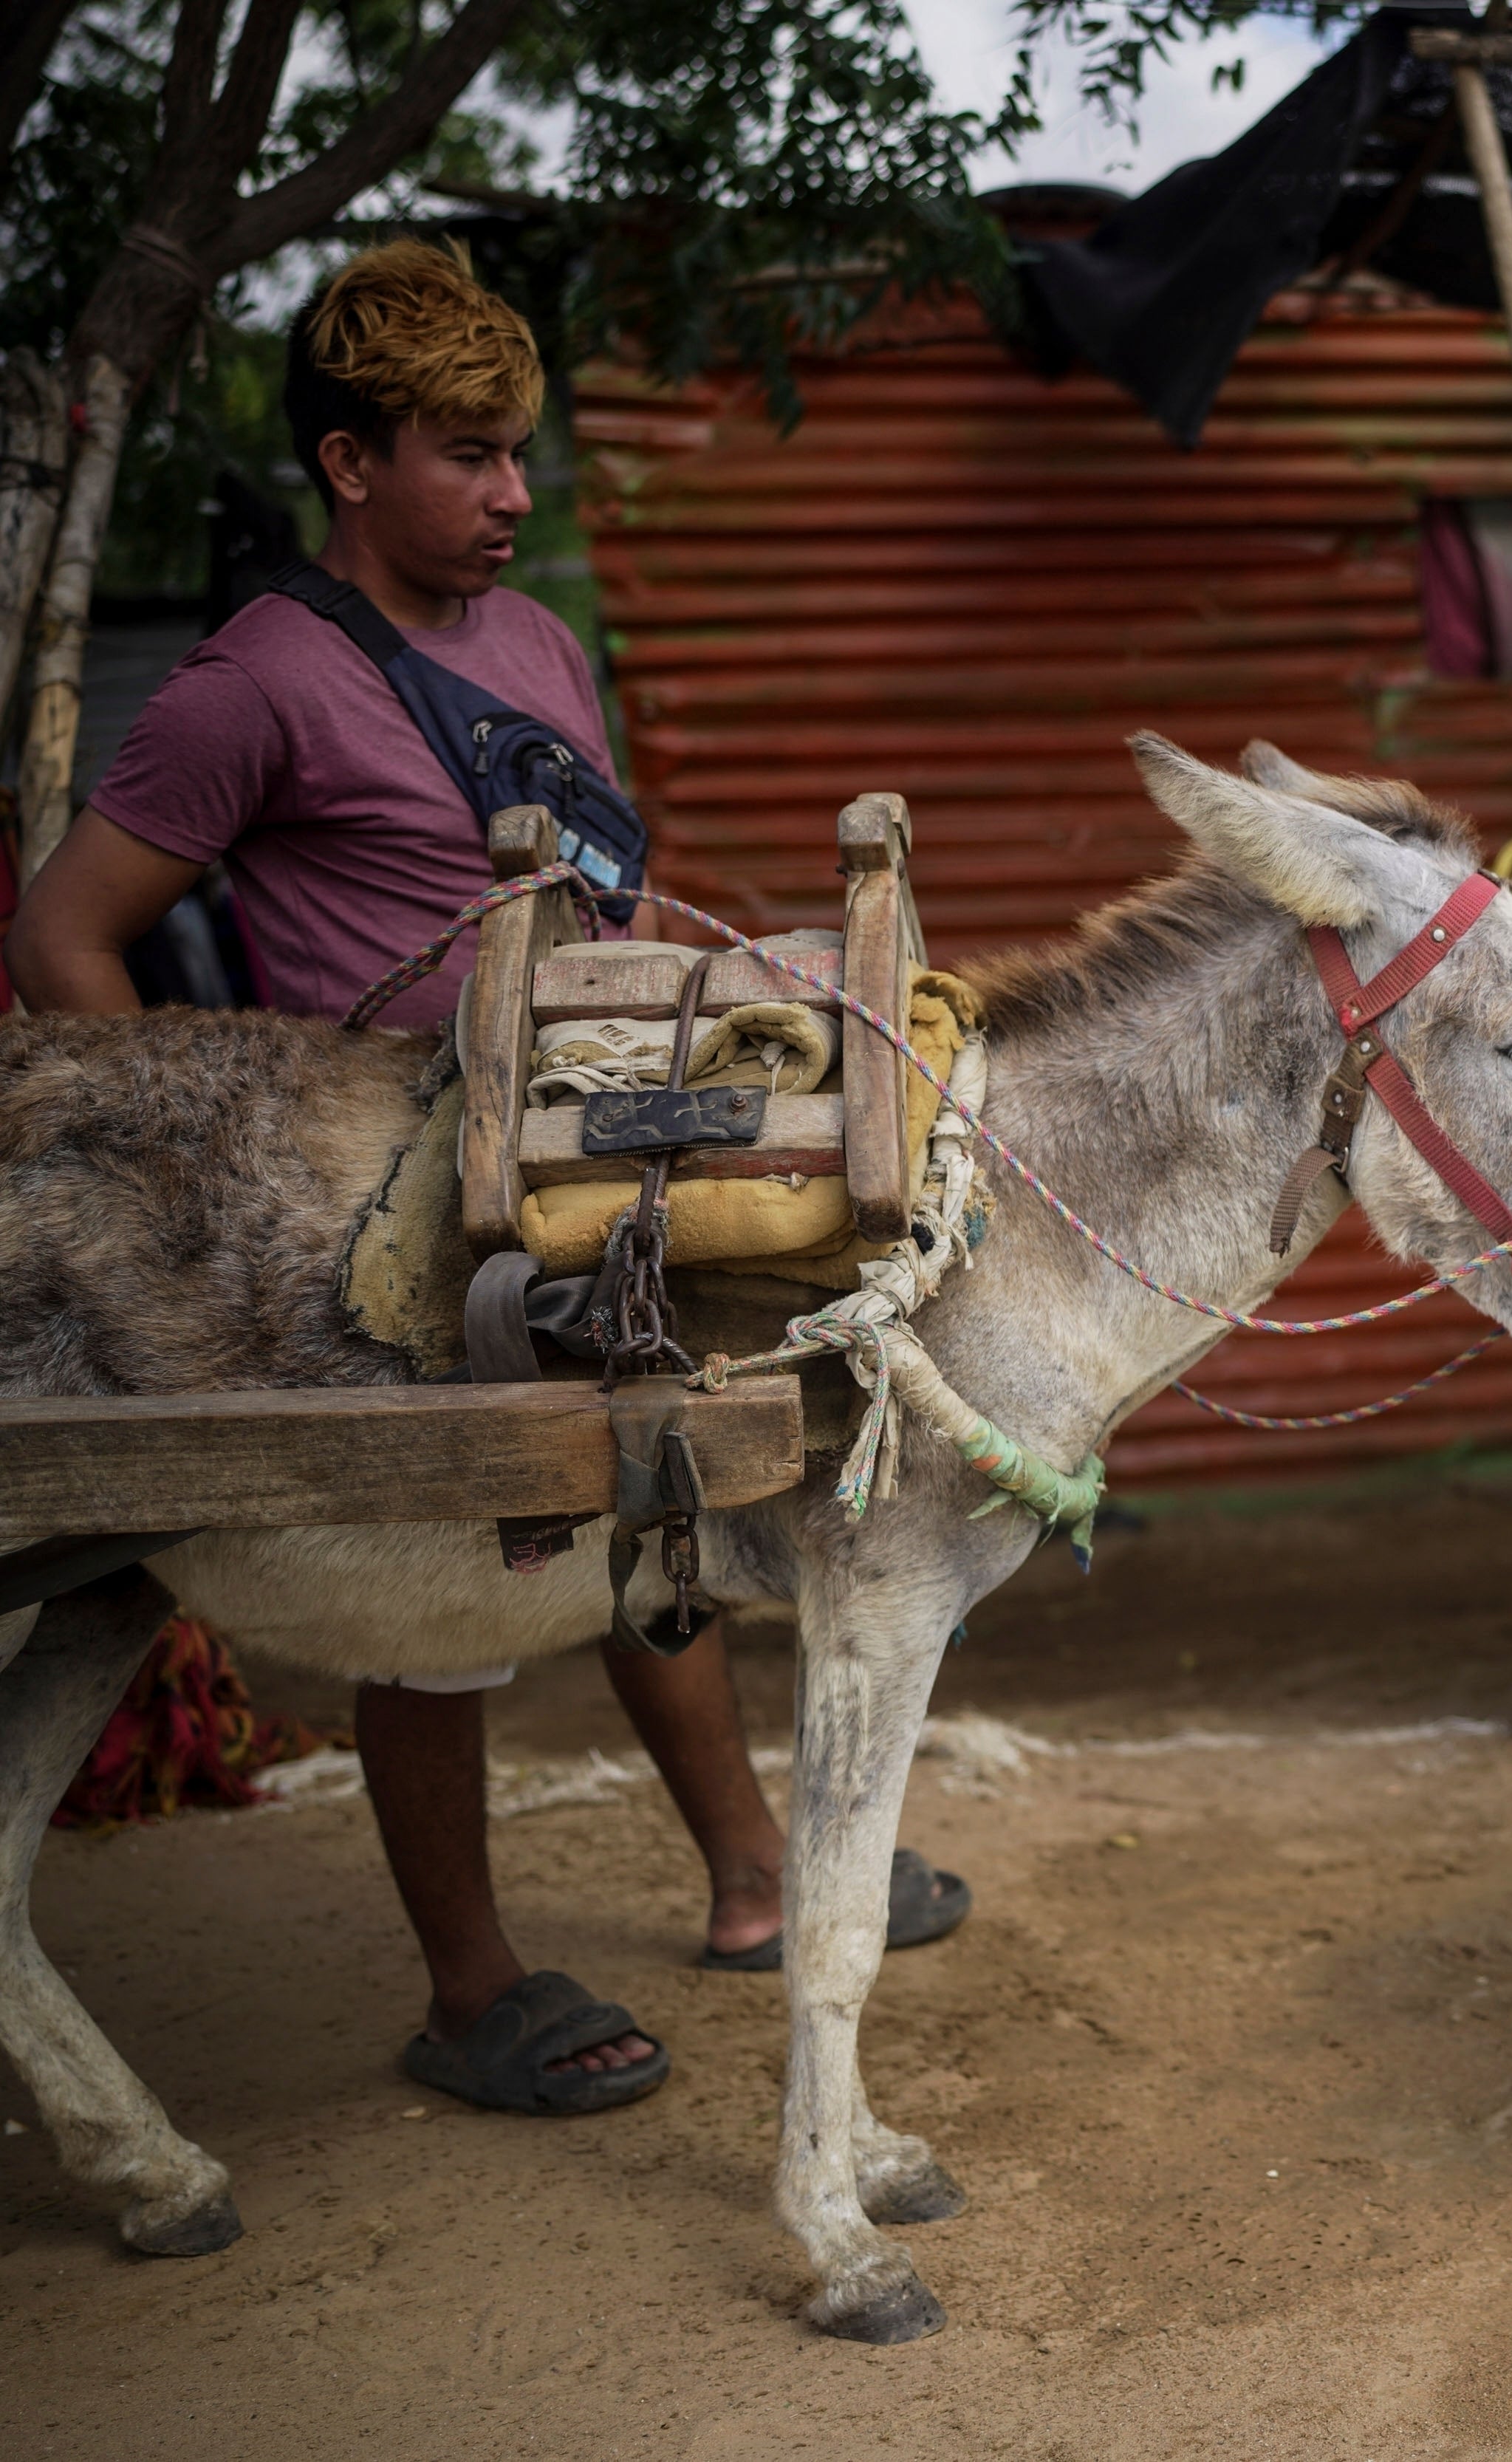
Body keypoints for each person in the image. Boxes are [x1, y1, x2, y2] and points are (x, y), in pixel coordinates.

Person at [2, 241, 965, 2113]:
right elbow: (60, 940)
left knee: (647, 1484)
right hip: (376, 1210)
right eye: (468, 453)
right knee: (447, 1571)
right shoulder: (254, 681)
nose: (516, 490)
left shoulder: (535, 646)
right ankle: (470, 1989)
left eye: (521, 450)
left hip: (593, 1157)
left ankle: (756, 1873)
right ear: (351, 465)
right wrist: (212, 1165)